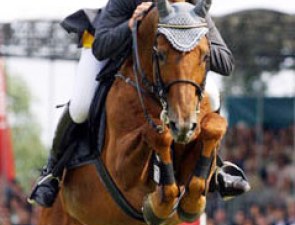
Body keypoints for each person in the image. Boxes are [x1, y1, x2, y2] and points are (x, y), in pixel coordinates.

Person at [28, 0, 250, 208]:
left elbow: (226, 62)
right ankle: (52, 172)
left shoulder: (188, 5)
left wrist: (197, 39)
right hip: (109, 48)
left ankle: (217, 166)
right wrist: (132, 24)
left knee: (211, 94)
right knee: (80, 106)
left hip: (167, 67)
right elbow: (102, 46)